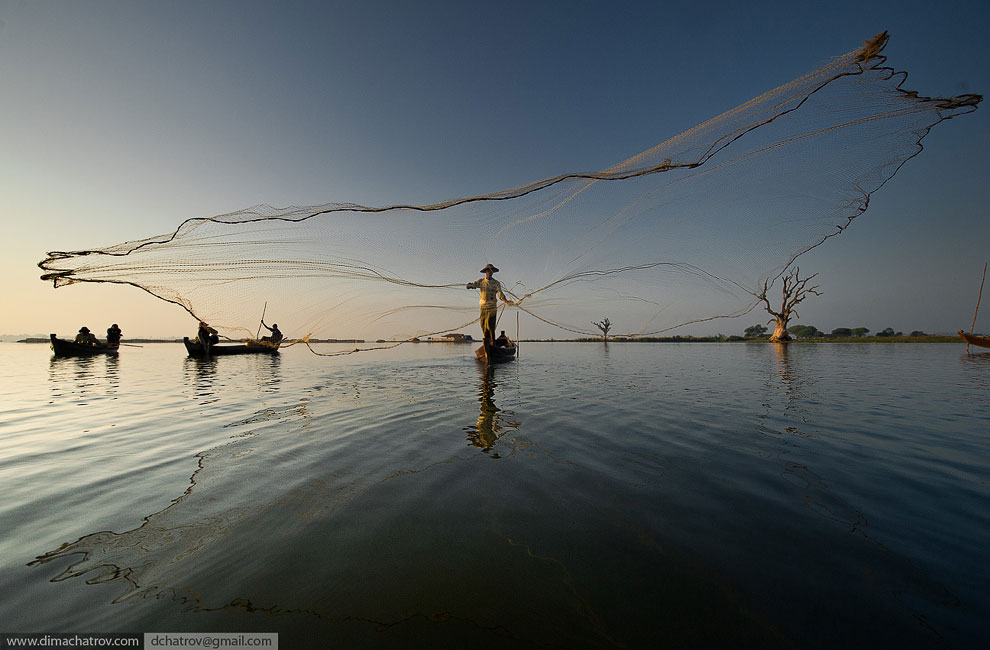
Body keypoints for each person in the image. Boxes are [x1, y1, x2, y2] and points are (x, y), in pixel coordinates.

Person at [466, 263, 515, 346]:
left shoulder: (496, 283)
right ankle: (487, 341)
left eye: (491, 271)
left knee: (490, 325)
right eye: (488, 271)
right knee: (483, 325)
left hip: (492, 307)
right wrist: (469, 285)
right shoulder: (481, 281)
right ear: (486, 272)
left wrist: (506, 301)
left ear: (493, 272)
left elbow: (500, 294)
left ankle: (492, 342)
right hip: (483, 307)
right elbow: (472, 285)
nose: (489, 272)